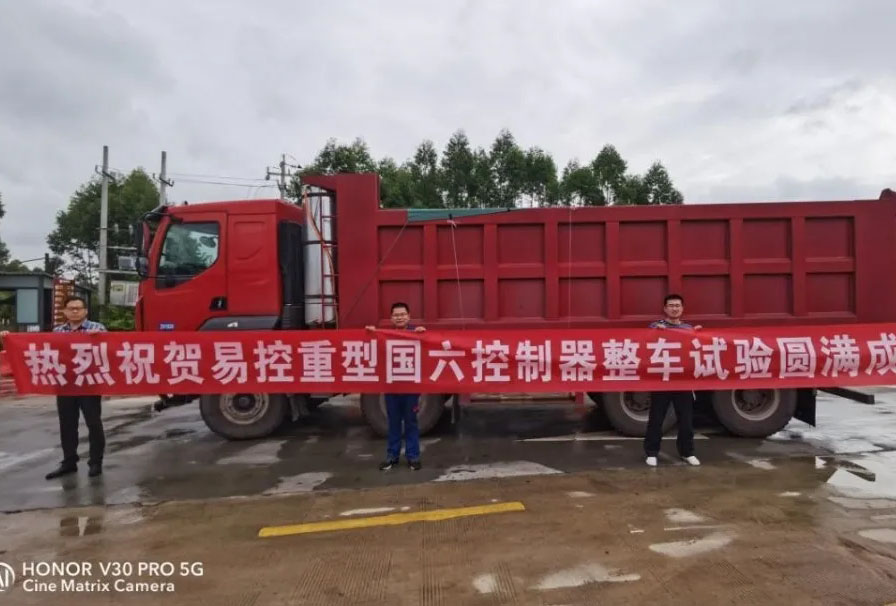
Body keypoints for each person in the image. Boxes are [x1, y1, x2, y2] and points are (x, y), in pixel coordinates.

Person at [2, 295, 108, 479]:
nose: (75, 311)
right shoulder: (57, 331)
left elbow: (112, 349)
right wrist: (8, 338)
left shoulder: (97, 329)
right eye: (71, 308)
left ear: (85, 311)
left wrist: (99, 339)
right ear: (65, 311)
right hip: (64, 384)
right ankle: (69, 462)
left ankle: (95, 462)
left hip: (89, 384)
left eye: (78, 308)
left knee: (94, 423)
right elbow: (38, 348)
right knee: (67, 424)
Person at [366, 302, 426, 471]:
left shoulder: (417, 333)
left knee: (411, 423)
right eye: (396, 315)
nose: (400, 317)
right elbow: (373, 347)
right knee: (393, 423)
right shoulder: (385, 335)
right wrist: (372, 333)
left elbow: (428, 348)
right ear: (391, 318)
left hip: (411, 388)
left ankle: (413, 457)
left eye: (403, 314)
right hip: (391, 387)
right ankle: (392, 457)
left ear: (409, 316)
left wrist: (423, 334)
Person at [644, 293, 701, 468]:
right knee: (656, 418)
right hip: (662, 380)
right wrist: (655, 332)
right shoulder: (656, 326)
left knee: (686, 420)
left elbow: (696, 350)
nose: (674, 308)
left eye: (677, 305)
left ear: (682, 308)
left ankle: (687, 452)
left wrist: (699, 336)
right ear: (665, 308)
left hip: (682, 380)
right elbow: (645, 342)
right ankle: (651, 453)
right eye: (671, 305)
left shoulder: (688, 328)